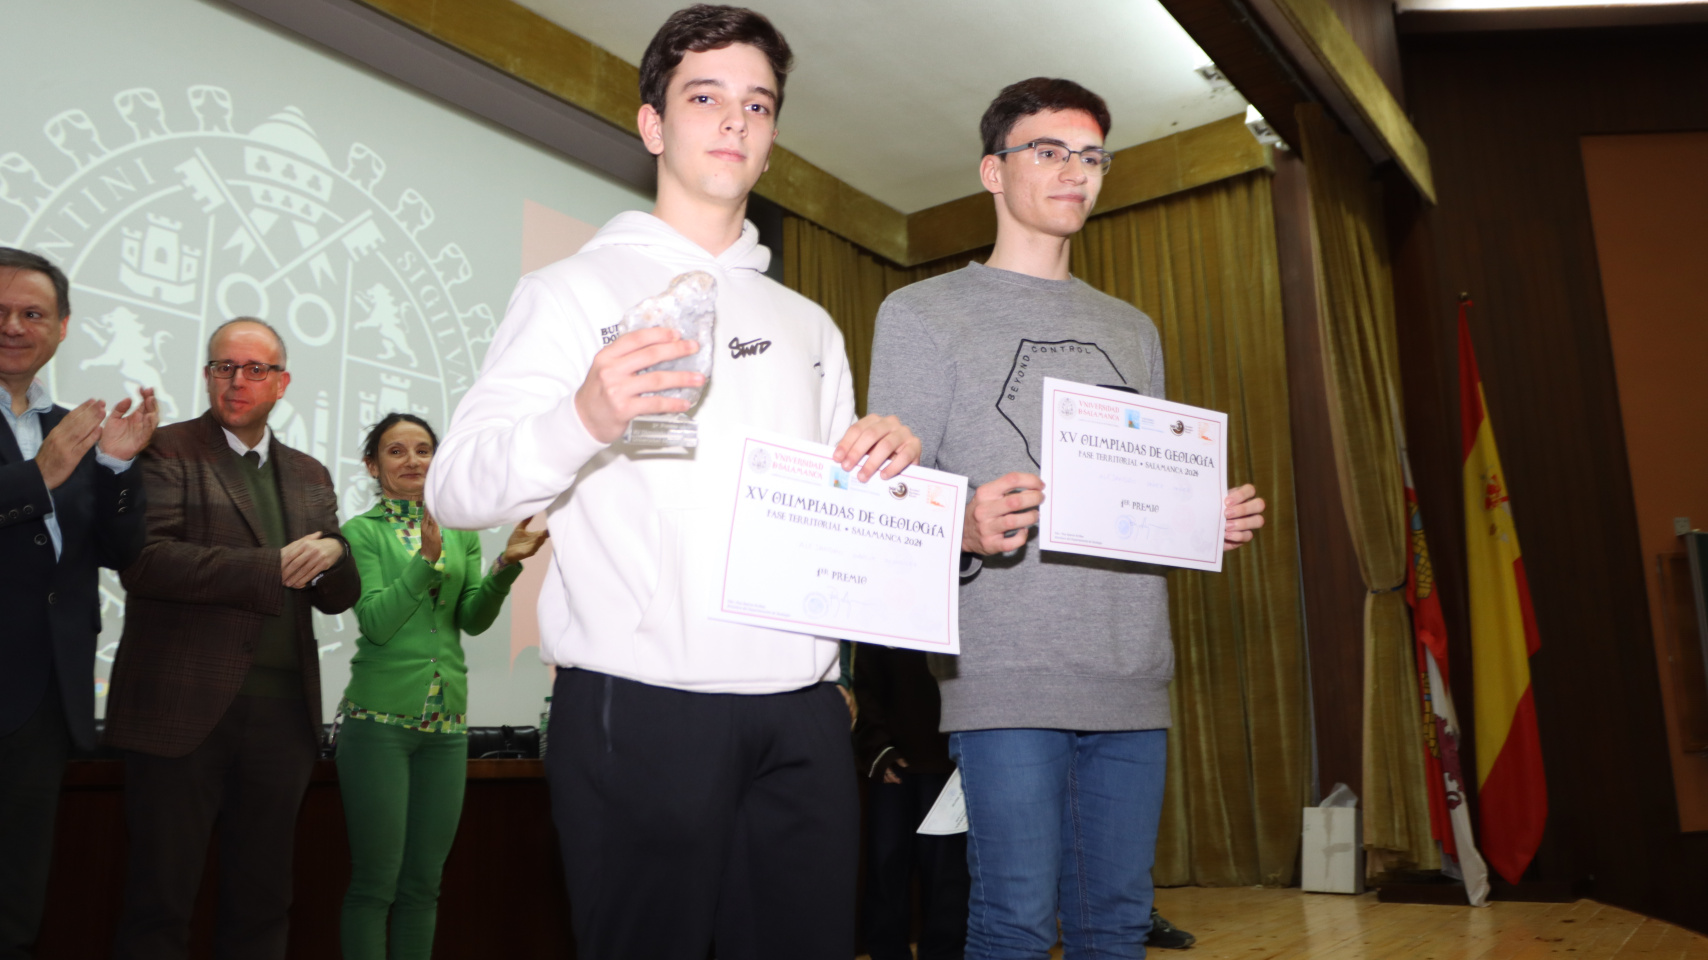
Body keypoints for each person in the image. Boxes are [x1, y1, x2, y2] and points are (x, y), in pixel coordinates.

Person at [424, 6, 920, 957]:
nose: (734, 121)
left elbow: (832, 522)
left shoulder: (811, 323)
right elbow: (455, 488)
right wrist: (585, 416)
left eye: (757, 105)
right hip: (642, 708)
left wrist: (886, 472)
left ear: (771, 140)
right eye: (705, 97)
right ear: (654, 125)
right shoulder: (569, 291)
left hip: (806, 717)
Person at [866, 78, 1267, 959]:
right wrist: (964, 525)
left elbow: (1136, 489)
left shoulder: (1131, 327)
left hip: (1131, 665)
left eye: (1091, 157)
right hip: (1004, 666)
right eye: (1047, 151)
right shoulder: (923, 313)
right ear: (991, 171)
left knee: (1116, 924)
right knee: (1012, 920)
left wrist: (1198, 516)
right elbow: (888, 503)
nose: (1074, 173)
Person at [106, 317, 359, 960]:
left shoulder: (309, 473)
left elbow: (339, 593)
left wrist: (335, 550)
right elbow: (146, 563)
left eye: (254, 370)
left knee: (264, 903)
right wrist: (270, 567)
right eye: (224, 367)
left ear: (282, 383)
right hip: (179, 710)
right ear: (208, 375)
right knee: (158, 904)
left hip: (282, 719)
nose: (237, 381)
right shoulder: (164, 450)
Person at [336, 412, 547, 960]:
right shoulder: (361, 533)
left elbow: (472, 618)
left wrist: (504, 564)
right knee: (375, 884)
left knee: (423, 886)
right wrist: (424, 562)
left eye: (423, 450)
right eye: (396, 451)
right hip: (378, 725)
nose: (412, 461)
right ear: (372, 464)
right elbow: (378, 623)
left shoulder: (461, 531)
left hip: (446, 727)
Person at [0, 248, 155, 959]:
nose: (14, 326)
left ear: (61, 328)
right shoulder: (58, 448)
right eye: (0, 312)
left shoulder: (78, 427)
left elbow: (122, 552)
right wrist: (39, 476)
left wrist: (119, 465)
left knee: (19, 893)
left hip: (45, 701)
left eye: (32, 313)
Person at [852, 645, 969, 960]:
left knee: (948, 878)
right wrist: (877, 747)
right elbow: (864, 683)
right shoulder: (883, 607)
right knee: (885, 868)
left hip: (951, 761)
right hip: (893, 764)